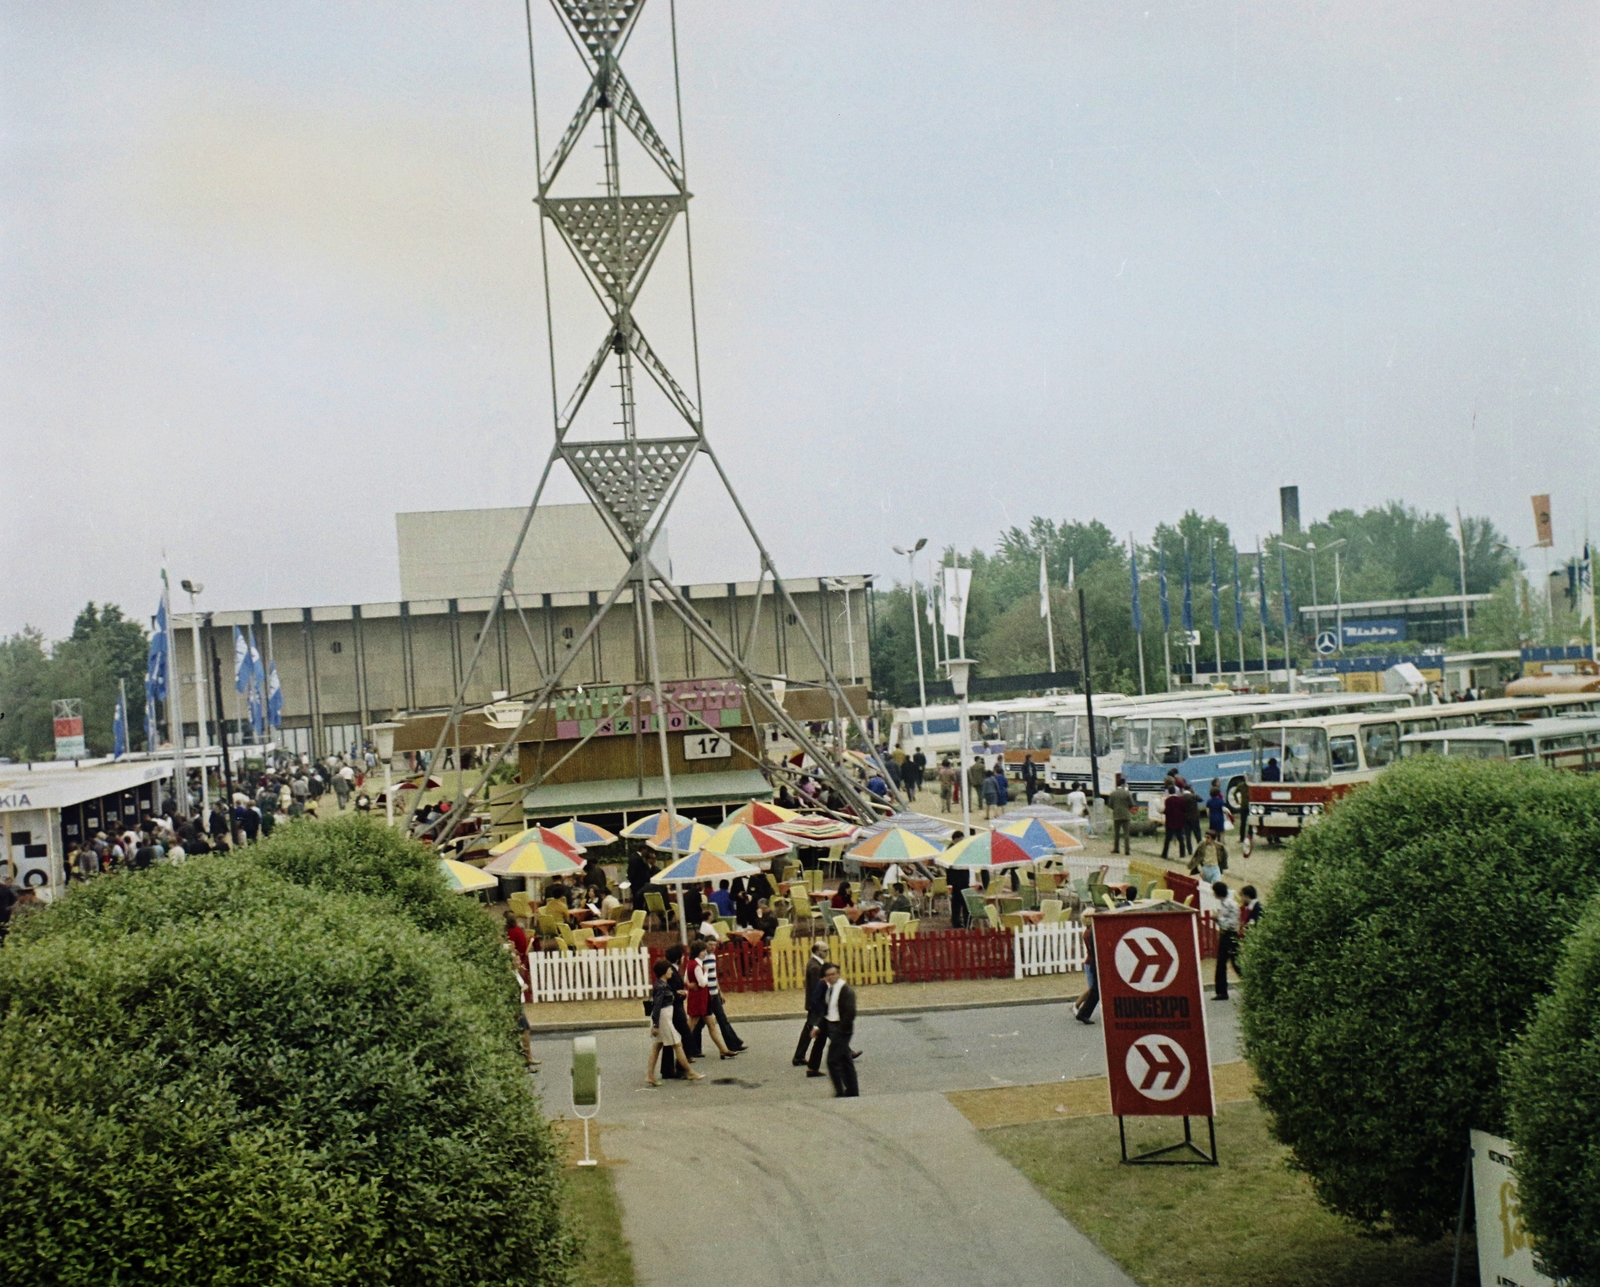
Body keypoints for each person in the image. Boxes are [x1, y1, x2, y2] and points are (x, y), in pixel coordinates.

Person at [646, 960, 703, 1085]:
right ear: (664, 972)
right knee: (677, 1044)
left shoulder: (662, 985)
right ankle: (689, 1071)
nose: (671, 971)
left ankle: (650, 1075)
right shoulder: (661, 986)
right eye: (669, 970)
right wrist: (655, 1025)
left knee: (657, 1046)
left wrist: (676, 993)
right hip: (663, 1018)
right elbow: (657, 1006)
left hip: (664, 1017)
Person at [684, 940, 736, 1059]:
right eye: (703, 951)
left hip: (703, 997)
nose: (705, 953)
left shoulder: (691, 963)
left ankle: (723, 1050)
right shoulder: (697, 966)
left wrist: (689, 984)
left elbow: (686, 978)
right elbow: (702, 983)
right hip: (699, 998)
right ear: (698, 952)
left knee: (711, 1024)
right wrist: (706, 972)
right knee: (691, 1025)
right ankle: (682, 1050)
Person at [699, 938, 747, 1054]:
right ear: (705, 944)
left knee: (721, 1019)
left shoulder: (712, 957)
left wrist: (719, 991)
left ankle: (733, 1044)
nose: (712, 947)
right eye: (710, 944)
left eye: (714, 945)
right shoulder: (702, 958)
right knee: (700, 1022)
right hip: (706, 993)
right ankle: (693, 1048)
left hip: (714, 992)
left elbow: (714, 975)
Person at [820, 963, 859, 1097]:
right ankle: (852, 1090)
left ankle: (840, 1090)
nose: (831, 977)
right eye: (828, 975)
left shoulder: (845, 990)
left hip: (841, 1029)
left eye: (833, 974)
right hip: (832, 1026)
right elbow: (827, 1009)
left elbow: (850, 1012)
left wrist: (841, 1030)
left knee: (832, 1060)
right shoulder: (830, 989)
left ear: (838, 974)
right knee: (845, 1060)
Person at [794, 940, 830, 1072]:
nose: (827, 953)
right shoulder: (815, 967)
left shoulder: (815, 964)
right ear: (817, 951)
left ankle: (799, 1056)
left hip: (814, 1003)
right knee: (826, 1027)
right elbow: (817, 989)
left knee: (811, 1028)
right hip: (816, 1004)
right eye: (825, 951)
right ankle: (846, 1051)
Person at [1212, 881, 1242, 1000]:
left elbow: (1232, 923)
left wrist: (1218, 919)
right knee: (1222, 963)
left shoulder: (1230, 905)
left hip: (1230, 935)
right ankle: (1221, 991)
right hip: (1226, 935)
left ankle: (1251, 983)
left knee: (1235, 962)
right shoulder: (1224, 904)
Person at [1074, 917, 1099, 1023]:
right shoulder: (1092, 932)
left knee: (1095, 990)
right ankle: (1082, 1012)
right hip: (1096, 963)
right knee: (1095, 990)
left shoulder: (1089, 931)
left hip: (1093, 963)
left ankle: (1082, 1012)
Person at [1107, 775, 1134, 855]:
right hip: (1126, 814)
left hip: (1116, 815)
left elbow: (1110, 804)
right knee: (1126, 833)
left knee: (1116, 833)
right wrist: (1127, 808)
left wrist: (1115, 808)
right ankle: (1127, 850)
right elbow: (1132, 804)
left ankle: (1116, 849)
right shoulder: (1127, 793)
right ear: (1123, 784)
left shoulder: (1113, 793)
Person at [1160, 788, 1188, 860]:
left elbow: (1167, 811)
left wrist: (1162, 812)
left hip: (1170, 822)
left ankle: (1164, 854)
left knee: (1168, 839)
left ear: (1169, 792)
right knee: (1180, 838)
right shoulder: (1181, 799)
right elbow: (1184, 809)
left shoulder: (1168, 800)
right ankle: (1182, 853)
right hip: (1179, 821)